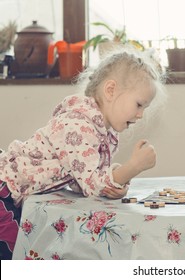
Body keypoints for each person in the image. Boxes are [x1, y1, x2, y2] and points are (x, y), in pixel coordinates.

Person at [0, 46, 166, 259]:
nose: (141, 115)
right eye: (139, 104)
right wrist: (132, 168)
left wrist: (116, 182)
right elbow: (92, 183)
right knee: (13, 255)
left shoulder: (103, 132)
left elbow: (83, 182)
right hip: (4, 191)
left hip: (13, 193)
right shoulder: (78, 126)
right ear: (110, 90)